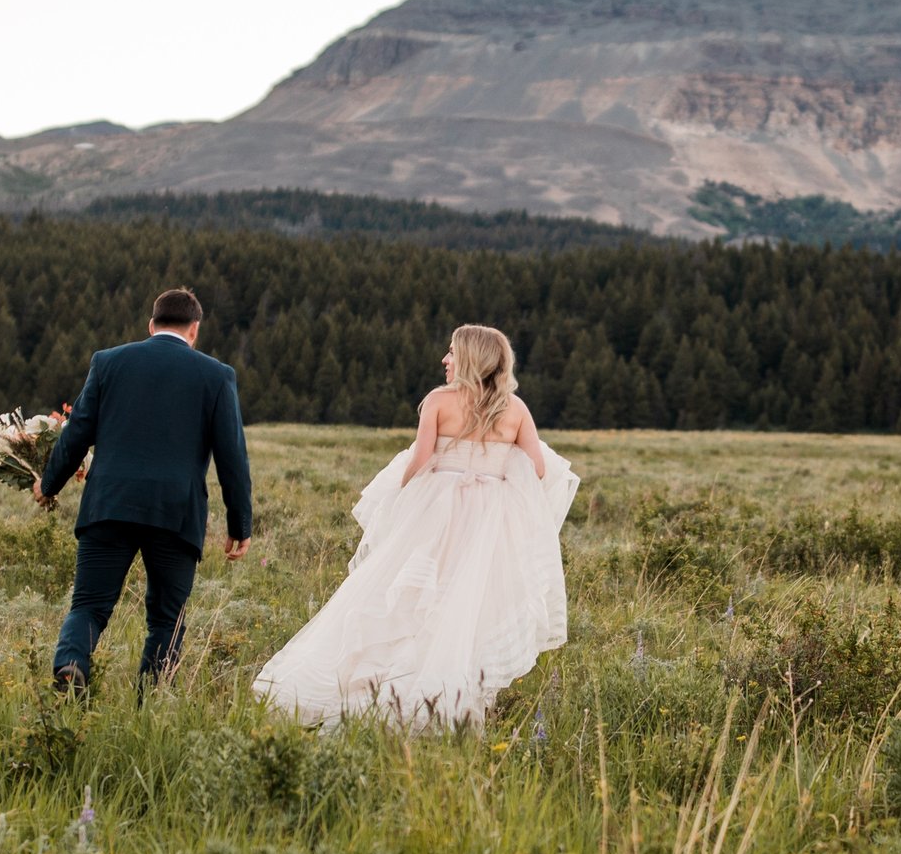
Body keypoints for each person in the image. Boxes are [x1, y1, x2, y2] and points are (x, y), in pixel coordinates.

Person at [255, 324, 577, 728]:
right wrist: (494, 471)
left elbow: (421, 458)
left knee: (407, 598)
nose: (445, 360)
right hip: (487, 525)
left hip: (436, 514)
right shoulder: (515, 409)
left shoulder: (439, 401)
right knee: (466, 605)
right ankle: (447, 696)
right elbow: (538, 468)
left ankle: (381, 684)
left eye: (451, 353)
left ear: (470, 358)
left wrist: (399, 499)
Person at [35, 287, 253, 692]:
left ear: (151, 326)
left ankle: (70, 664)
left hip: (109, 505)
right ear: (194, 331)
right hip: (176, 513)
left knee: (88, 605)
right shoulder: (216, 375)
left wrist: (49, 484)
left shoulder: (108, 362)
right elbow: (232, 459)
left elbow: (77, 432)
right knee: (167, 619)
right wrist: (240, 523)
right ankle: (150, 702)